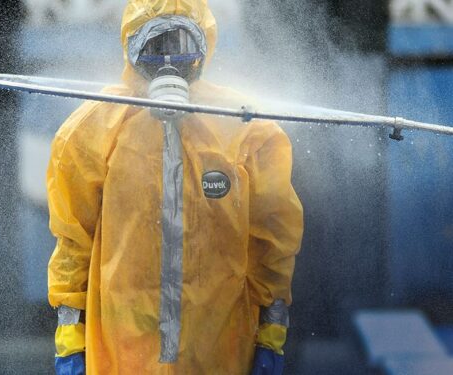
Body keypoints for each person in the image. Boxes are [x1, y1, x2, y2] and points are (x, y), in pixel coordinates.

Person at [47, 0, 304, 374]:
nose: (168, 60)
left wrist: (272, 331)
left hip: (218, 350)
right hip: (123, 352)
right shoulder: (93, 131)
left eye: (181, 44)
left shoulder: (246, 130)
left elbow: (274, 241)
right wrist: (69, 336)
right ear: (132, 46)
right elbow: (73, 243)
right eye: (155, 45)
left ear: (203, 47)